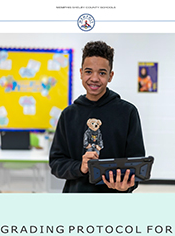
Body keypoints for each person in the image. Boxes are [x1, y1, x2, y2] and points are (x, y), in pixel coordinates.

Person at [49, 41, 145, 193]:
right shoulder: (68, 115)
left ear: (110, 76)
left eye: (101, 73)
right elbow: (56, 163)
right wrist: (80, 167)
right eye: (88, 71)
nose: (94, 78)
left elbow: (136, 164)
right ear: (80, 73)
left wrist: (127, 185)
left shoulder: (128, 112)